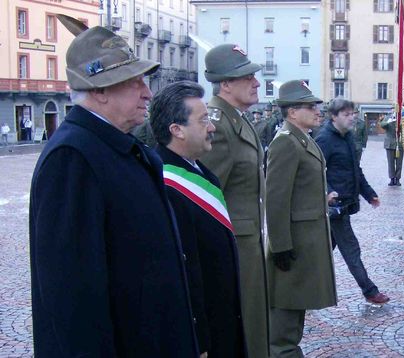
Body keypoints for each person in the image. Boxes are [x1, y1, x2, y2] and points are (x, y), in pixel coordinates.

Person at [29, 15, 198, 357]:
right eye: (134, 82)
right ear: (100, 90)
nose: (147, 92)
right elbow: (72, 296)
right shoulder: (72, 158)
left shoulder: (120, 148)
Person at [150, 81, 246, 357]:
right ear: (176, 130)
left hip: (222, 318)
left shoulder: (202, 172)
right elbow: (183, 269)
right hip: (203, 333)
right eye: (203, 120)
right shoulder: (165, 183)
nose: (212, 127)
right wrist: (198, 340)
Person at [199, 43, 270, 358]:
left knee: (254, 322)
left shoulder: (238, 119)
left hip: (248, 242)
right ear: (225, 83)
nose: (256, 83)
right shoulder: (217, 124)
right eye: (247, 77)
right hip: (233, 247)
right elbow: (207, 200)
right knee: (240, 325)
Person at [266, 80, 337, 357]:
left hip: (305, 243)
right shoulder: (286, 143)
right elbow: (276, 199)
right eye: (310, 107)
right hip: (292, 244)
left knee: (295, 308)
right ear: (292, 112)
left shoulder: (302, 139)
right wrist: (281, 245)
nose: (317, 111)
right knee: (284, 317)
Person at [315, 98, 390, 305]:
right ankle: (370, 290)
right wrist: (328, 193)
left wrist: (369, 194)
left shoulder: (348, 136)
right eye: (346, 114)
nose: (352, 117)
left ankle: (300, 286)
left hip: (346, 204)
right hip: (335, 207)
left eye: (353, 113)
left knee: (322, 251)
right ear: (334, 116)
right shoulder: (324, 139)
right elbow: (316, 172)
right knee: (351, 250)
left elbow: (355, 169)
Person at [380, 114, 403, 186]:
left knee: (399, 163)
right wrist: (389, 121)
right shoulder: (387, 117)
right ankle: (392, 178)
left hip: (399, 143)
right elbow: (382, 125)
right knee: (391, 163)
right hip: (389, 144)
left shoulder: (402, 118)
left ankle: (398, 179)